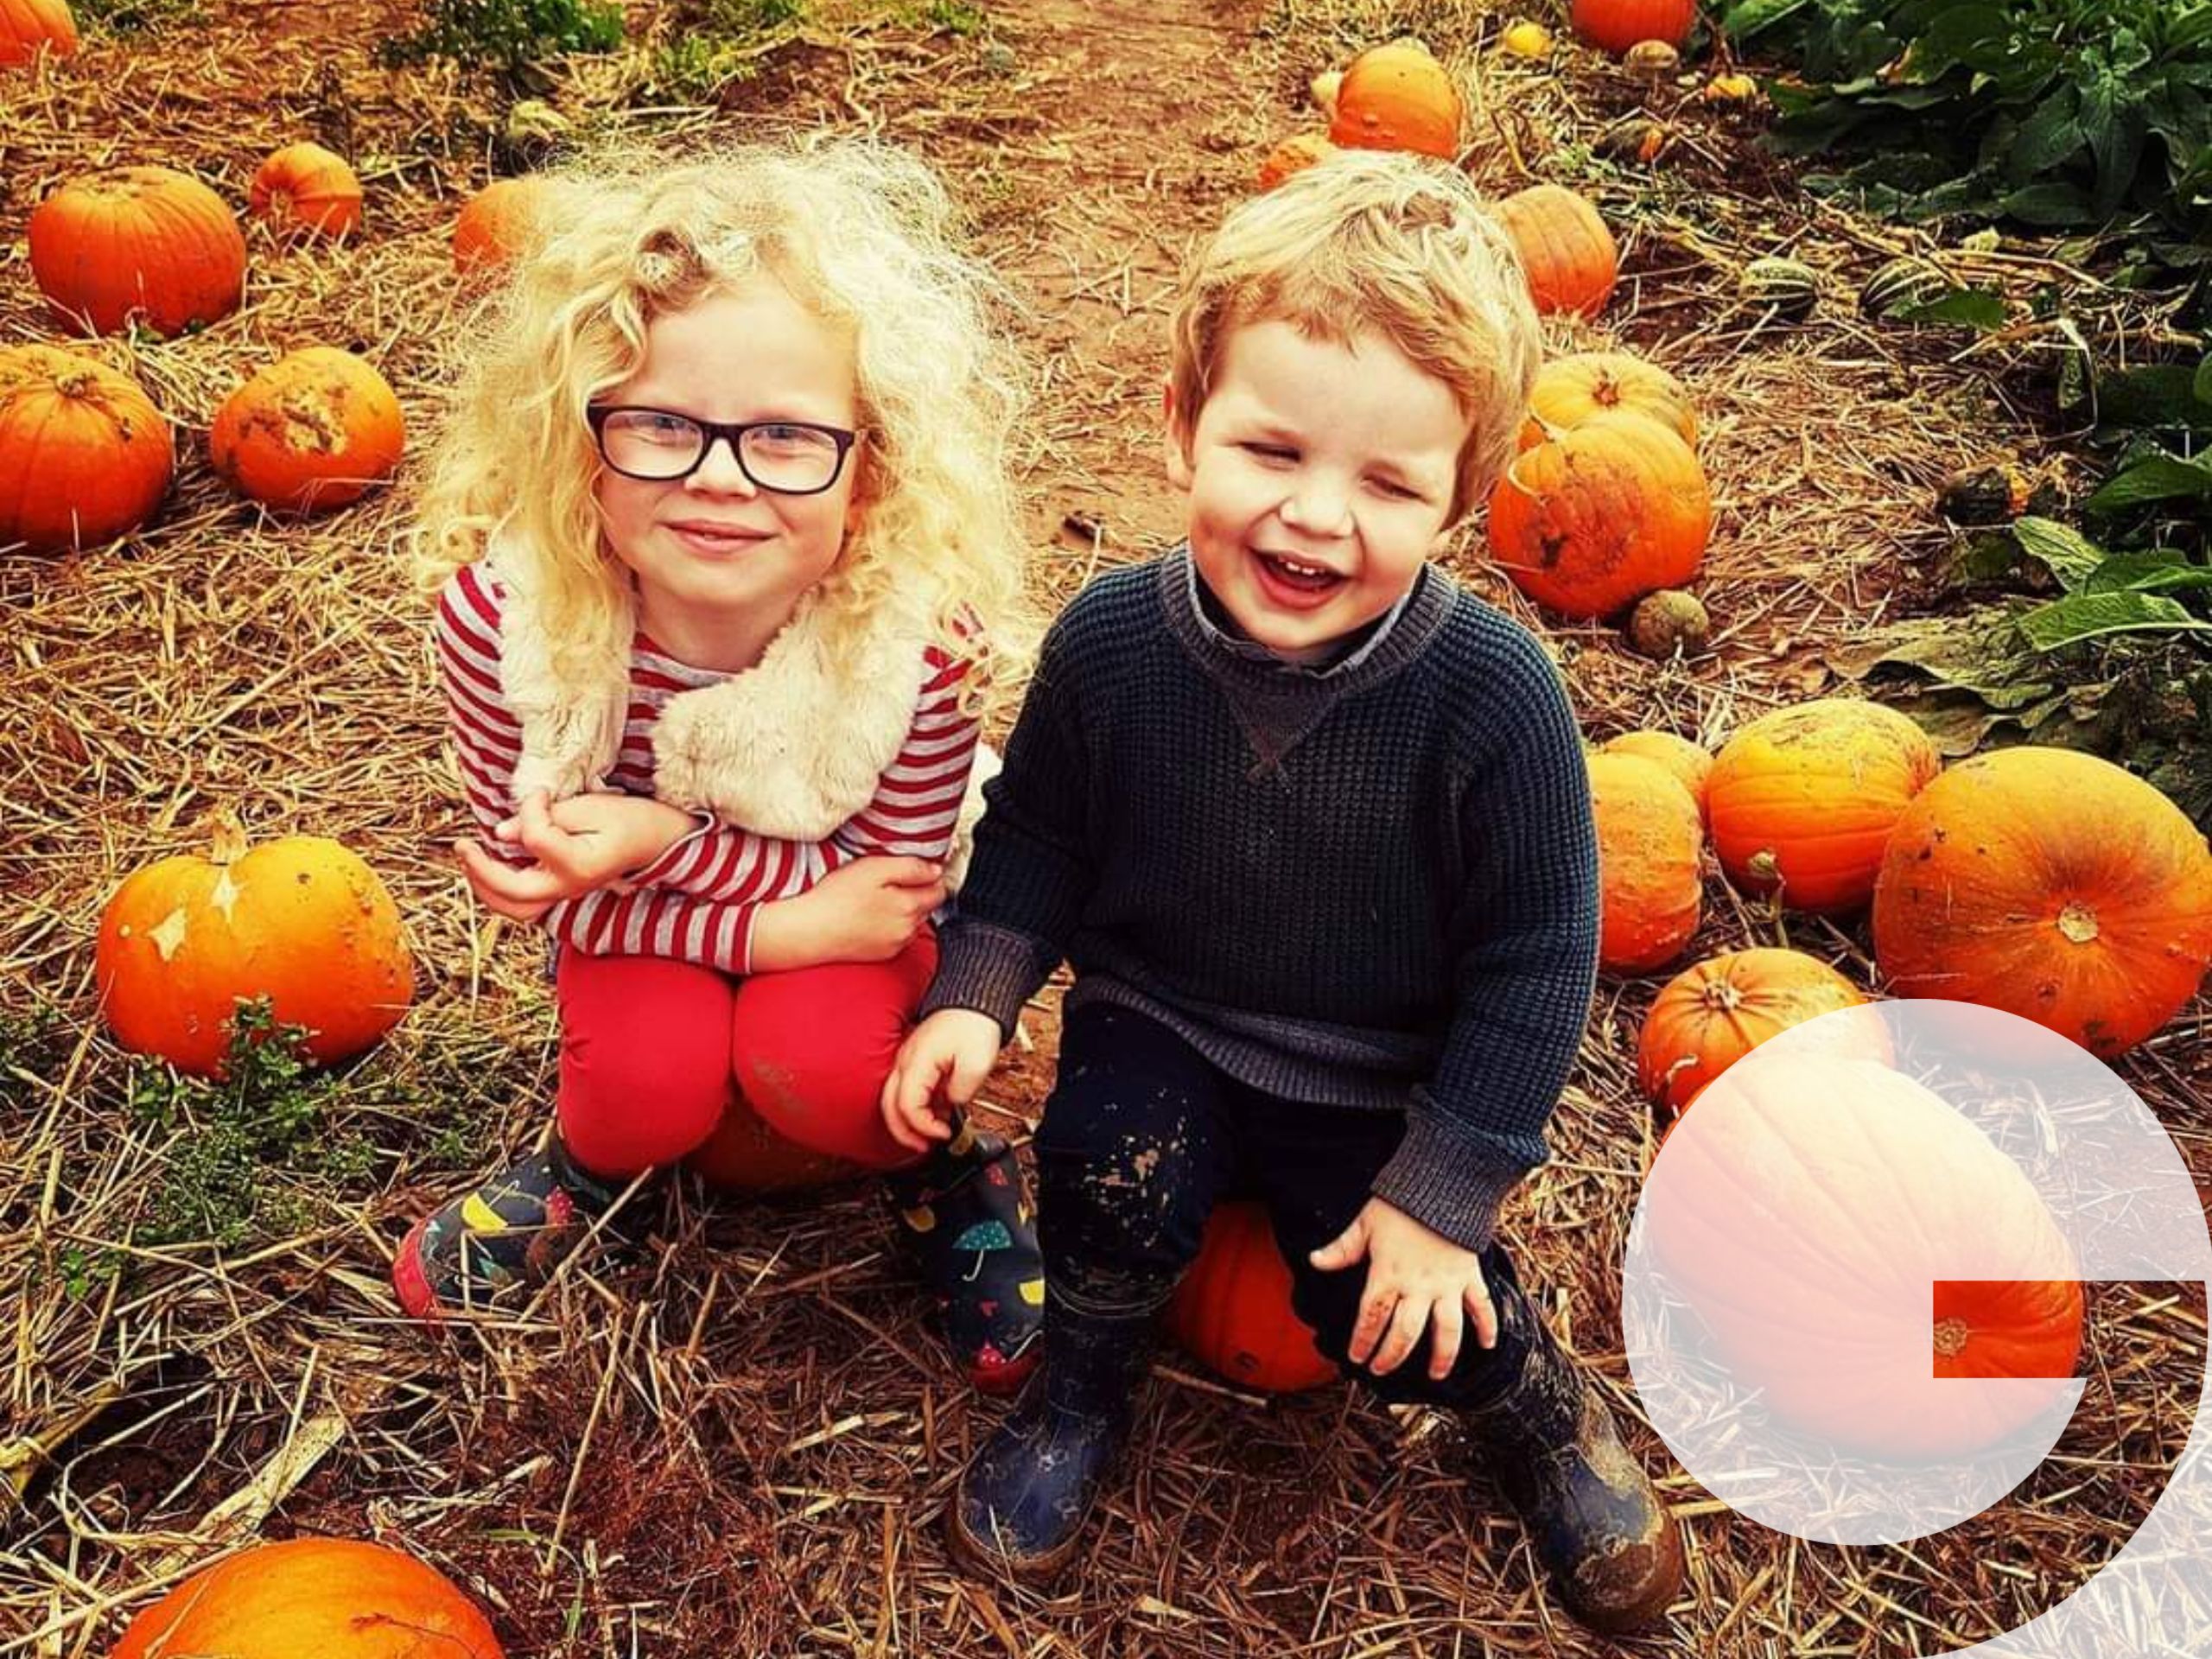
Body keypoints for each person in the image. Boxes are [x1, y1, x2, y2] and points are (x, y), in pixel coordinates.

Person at [880, 149, 1683, 1629]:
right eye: (1272, 452)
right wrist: (978, 993)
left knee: (1376, 1308)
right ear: (1183, 425)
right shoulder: (1114, 644)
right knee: (1112, 1180)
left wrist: (1444, 1192)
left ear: (1464, 500)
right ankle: (1080, 1396)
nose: (1318, 518)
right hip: (1164, 1017)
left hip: (1366, 1070)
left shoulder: (1491, 697)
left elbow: (1536, 957)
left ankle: (1535, 1406)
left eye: (1386, 482)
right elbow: (1041, 841)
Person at [394, 138, 1045, 1395]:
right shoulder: (507, 625)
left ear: (873, 467)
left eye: (788, 439)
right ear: (580, 439)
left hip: (845, 941)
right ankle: (598, 1167)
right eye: (662, 425)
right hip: (700, 917)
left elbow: (889, 889)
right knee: (640, 1090)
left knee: (830, 1073)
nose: (719, 480)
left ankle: (940, 1172)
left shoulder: (914, 651)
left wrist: (658, 853)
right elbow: (540, 870)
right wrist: (761, 920)